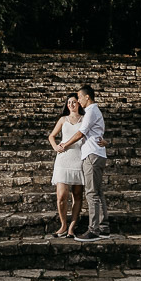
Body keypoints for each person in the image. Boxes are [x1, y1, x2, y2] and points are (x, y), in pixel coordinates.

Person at [57, 84, 109, 242]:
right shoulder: (93, 111)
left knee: (92, 193)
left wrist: (65, 144)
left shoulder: (91, 111)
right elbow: (97, 132)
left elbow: (81, 133)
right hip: (97, 153)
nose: (78, 100)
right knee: (98, 192)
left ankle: (94, 230)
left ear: (87, 97)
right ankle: (104, 227)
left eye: (79, 97)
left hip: (92, 155)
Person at [47, 95, 86, 237]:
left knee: (77, 195)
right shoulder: (63, 119)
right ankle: (63, 225)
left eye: (74, 102)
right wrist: (55, 146)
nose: (71, 104)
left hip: (79, 158)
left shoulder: (84, 119)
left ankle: (72, 227)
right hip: (63, 159)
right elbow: (51, 136)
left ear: (79, 104)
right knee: (61, 195)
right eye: (69, 102)